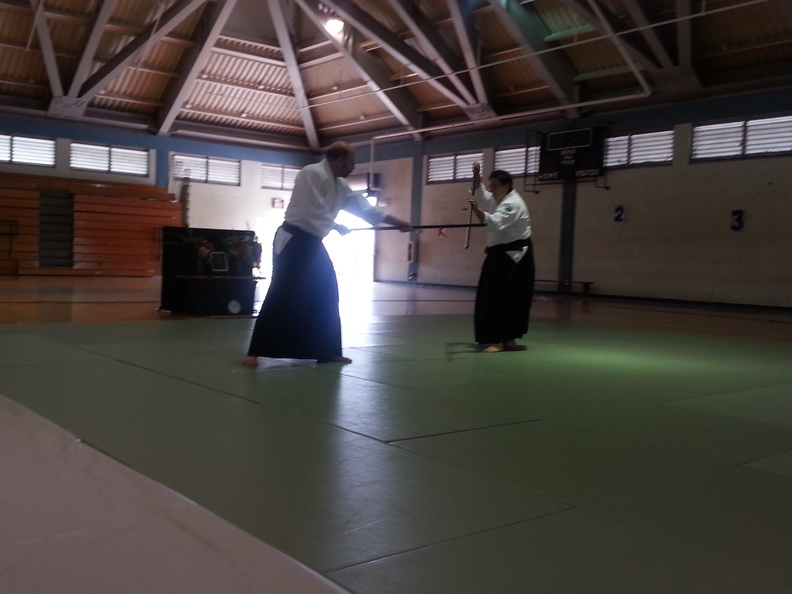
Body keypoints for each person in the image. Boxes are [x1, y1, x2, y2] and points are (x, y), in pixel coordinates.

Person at [244, 142, 410, 366]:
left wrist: (396, 222)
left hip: (312, 241)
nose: (352, 168)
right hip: (293, 239)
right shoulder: (311, 173)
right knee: (282, 291)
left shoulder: (340, 184)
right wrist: (335, 225)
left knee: (327, 292)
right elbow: (310, 209)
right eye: (351, 163)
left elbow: (363, 207)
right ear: (339, 159)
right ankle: (254, 351)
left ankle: (328, 351)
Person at [468, 163, 535, 352]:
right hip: (500, 253)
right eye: (490, 186)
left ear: (506, 186)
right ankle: (503, 338)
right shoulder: (497, 198)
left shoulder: (512, 204)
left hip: (515, 256)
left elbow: (495, 223)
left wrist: (475, 209)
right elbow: (479, 192)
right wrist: (476, 174)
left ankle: (500, 340)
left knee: (503, 297)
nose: (491, 190)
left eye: (494, 186)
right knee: (497, 296)